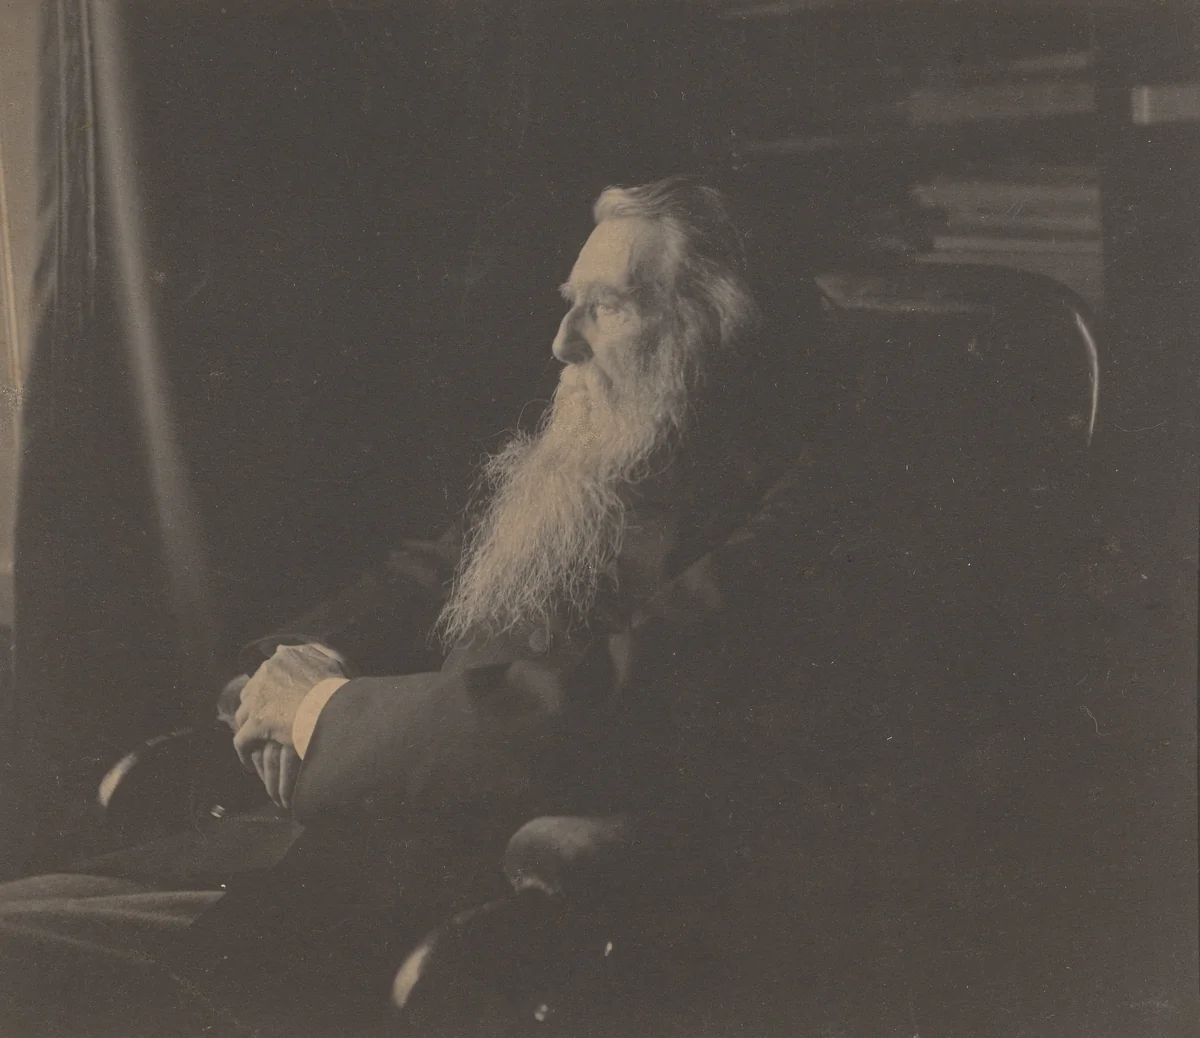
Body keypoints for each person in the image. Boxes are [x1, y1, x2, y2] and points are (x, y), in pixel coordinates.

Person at [0, 176, 835, 1036]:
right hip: (327, 848)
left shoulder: (795, 509)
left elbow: (579, 712)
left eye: (607, 308)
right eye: (568, 304)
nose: (561, 342)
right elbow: (425, 576)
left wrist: (314, 714)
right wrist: (288, 663)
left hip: (460, 921)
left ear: (712, 330)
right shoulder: (601, 450)